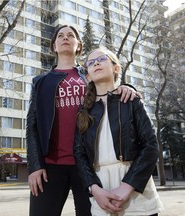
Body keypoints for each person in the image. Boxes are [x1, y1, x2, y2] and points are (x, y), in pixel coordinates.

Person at [26, 25, 140, 216]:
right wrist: (34, 166)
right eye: (60, 36)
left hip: (88, 164)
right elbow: (32, 126)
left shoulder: (90, 76)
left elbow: (111, 85)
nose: (65, 38)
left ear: (78, 45)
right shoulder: (41, 82)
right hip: (50, 165)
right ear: (54, 46)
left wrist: (126, 86)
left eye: (71, 35)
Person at [73, 47, 164, 216]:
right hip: (100, 188)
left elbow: (150, 145)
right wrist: (94, 189)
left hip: (136, 187)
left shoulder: (131, 100)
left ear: (116, 68)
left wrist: (127, 185)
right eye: (91, 63)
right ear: (88, 76)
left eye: (102, 59)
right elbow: (79, 154)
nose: (96, 63)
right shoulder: (83, 111)